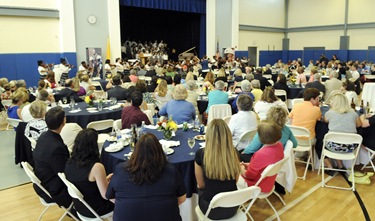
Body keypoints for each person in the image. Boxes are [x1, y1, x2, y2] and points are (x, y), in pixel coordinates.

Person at [106, 133, 186, 221]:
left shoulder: (121, 170)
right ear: (160, 151)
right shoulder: (171, 171)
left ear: (135, 152)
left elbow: (110, 196)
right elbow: (182, 198)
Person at [194, 119, 241, 220]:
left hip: (210, 209)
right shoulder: (235, 153)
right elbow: (236, 180)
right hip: (233, 206)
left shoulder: (201, 154)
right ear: (228, 135)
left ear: (209, 136)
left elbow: (201, 184)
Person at [65, 129, 114, 218]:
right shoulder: (96, 167)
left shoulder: (69, 162)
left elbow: (87, 185)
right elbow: (106, 195)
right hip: (97, 209)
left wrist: (105, 179)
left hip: (81, 207)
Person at [33, 106, 72, 208]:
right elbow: (63, 172)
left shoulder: (43, 136)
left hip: (43, 179)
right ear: (63, 122)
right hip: (54, 188)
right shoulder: (56, 147)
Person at [237, 121, 284, 193]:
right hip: (268, 183)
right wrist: (249, 165)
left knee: (231, 173)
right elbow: (264, 165)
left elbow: (249, 176)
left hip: (257, 186)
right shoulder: (279, 146)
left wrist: (241, 169)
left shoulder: (261, 154)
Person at [323, 93, 361, 174]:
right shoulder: (353, 113)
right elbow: (359, 125)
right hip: (351, 147)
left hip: (333, 146)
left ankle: (331, 167)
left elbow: (325, 121)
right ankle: (341, 166)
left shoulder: (329, 113)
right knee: (339, 139)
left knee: (322, 142)